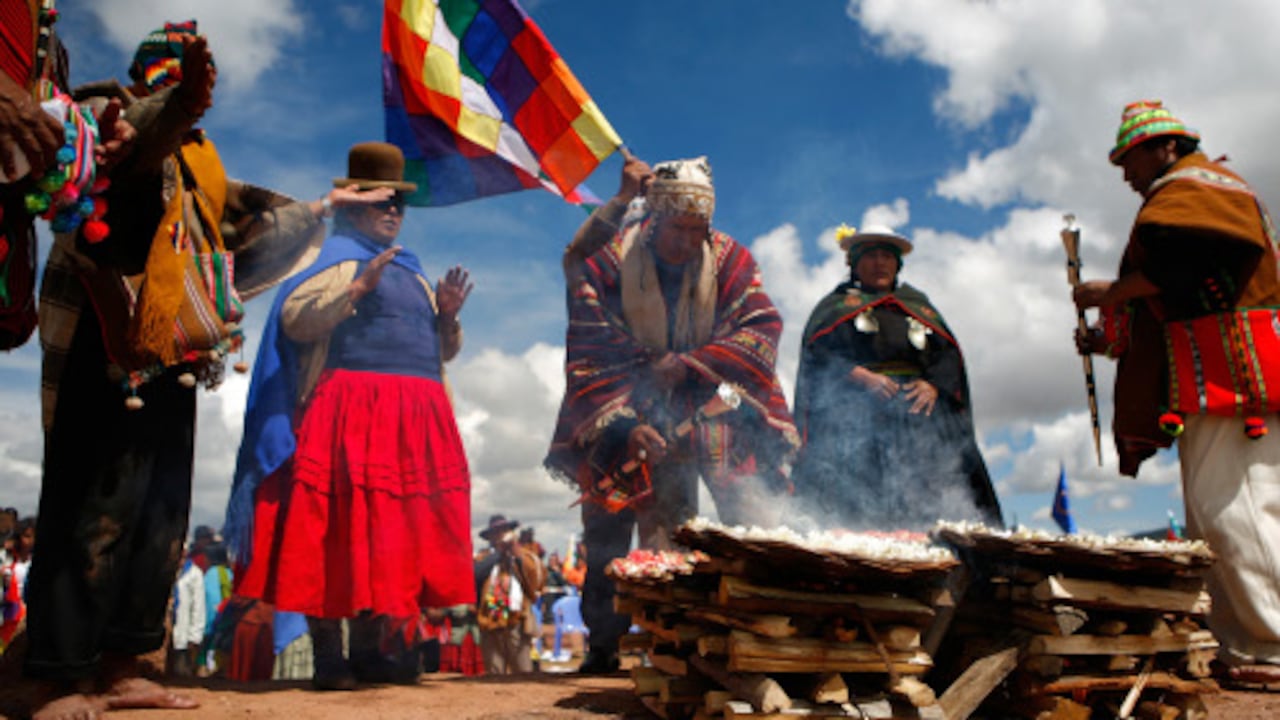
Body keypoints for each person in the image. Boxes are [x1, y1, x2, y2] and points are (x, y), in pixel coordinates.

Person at [24, 21, 326, 719]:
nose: (180, 93)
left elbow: (230, 234)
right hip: (109, 339)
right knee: (92, 508)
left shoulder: (202, 159)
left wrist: (317, 211)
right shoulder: (105, 115)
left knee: (162, 514)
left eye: (183, 83)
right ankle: (60, 678)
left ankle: (126, 665)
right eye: (164, 78)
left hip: (174, 351)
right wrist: (178, 105)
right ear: (141, 79)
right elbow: (133, 147)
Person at [228, 141, 476, 691]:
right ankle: (328, 658)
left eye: (399, 205)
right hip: (349, 410)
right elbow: (295, 318)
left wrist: (449, 319)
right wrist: (355, 290)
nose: (393, 213)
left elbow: (441, 354)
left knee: (389, 530)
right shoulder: (332, 260)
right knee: (335, 527)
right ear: (353, 206)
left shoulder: (411, 272)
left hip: (416, 416)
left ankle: (369, 653)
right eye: (382, 203)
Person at [545, 153, 799, 673]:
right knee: (611, 517)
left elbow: (760, 329)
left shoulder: (730, 258)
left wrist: (691, 364)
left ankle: (714, 633)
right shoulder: (614, 256)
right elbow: (588, 325)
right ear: (655, 220)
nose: (688, 242)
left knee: (714, 513)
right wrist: (627, 424)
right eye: (678, 229)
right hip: (624, 388)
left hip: (711, 389)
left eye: (697, 229)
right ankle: (604, 642)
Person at [1074, 100, 1280, 688]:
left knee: (1237, 511)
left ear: (1165, 146)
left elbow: (1184, 271)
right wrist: (1107, 335)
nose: (1125, 174)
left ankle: (1270, 648)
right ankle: (1244, 643)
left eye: (1129, 160)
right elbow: (1174, 301)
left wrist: (1111, 292)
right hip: (1216, 375)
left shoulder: (1193, 187)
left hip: (1233, 375)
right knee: (1219, 514)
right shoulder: (1194, 193)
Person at [790, 225, 1002, 530]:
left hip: (920, 420)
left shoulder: (918, 306)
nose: (881, 263)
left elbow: (948, 355)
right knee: (857, 504)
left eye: (887, 257)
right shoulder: (835, 308)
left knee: (942, 492)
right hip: (856, 422)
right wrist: (861, 376)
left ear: (898, 264)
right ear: (855, 264)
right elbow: (818, 354)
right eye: (872, 256)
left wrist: (933, 385)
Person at [475, 515, 544, 674]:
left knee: (522, 670)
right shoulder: (484, 557)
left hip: (517, 620)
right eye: (495, 533)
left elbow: (536, 581)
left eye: (503, 531)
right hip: (490, 620)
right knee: (494, 670)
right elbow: (476, 574)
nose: (500, 535)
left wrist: (516, 554)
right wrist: (499, 553)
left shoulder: (525, 556)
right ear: (490, 538)